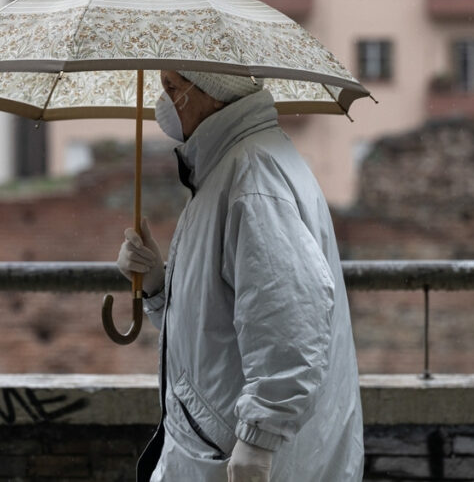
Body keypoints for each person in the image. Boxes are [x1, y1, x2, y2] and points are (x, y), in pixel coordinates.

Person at [117, 70, 364, 482]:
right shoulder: (228, 168)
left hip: (240, 461)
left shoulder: (250, 176)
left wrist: (259, 437)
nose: (164, 101)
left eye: (173, 87)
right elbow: (216, 330)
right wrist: (159, 286)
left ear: (213, 93)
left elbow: (291, 318)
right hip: (218, 451)